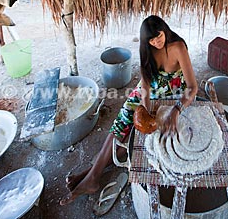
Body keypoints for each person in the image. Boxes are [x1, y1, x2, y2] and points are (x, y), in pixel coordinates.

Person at [60, 15, 198, 205]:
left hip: (172, 94)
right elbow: (146, 86)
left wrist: (176, 110)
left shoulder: (178, 47)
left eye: (159, 36)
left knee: (132, 138)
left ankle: (90, 174)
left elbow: (192, 87)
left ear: (164, 30)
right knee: (124, 120)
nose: (157, 42)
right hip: (149, 91)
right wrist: (145, 108)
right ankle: (92, 176)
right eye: (151, 39)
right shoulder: (148, 50)